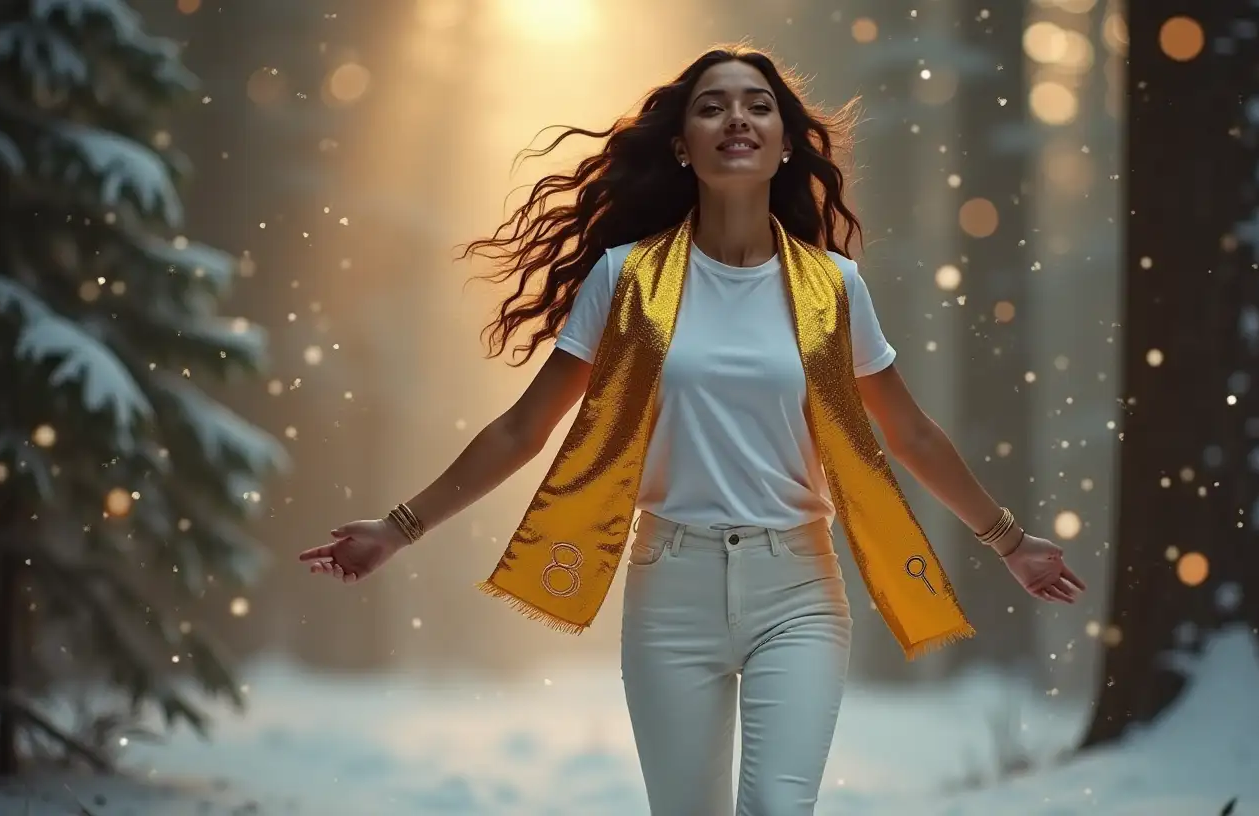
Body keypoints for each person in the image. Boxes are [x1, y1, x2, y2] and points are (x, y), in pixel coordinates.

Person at [298, 45, 1085, 816]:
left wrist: (1009, 542)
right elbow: (522, 429)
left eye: (757, 105)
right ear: (682, 146)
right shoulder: (625, 279)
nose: (735, 118)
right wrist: (399, 528)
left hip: (800, 590)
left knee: (779, 807)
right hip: (670, 586)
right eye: (711, 106)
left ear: (783, 144)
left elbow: (909, 433)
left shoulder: (834, 288)